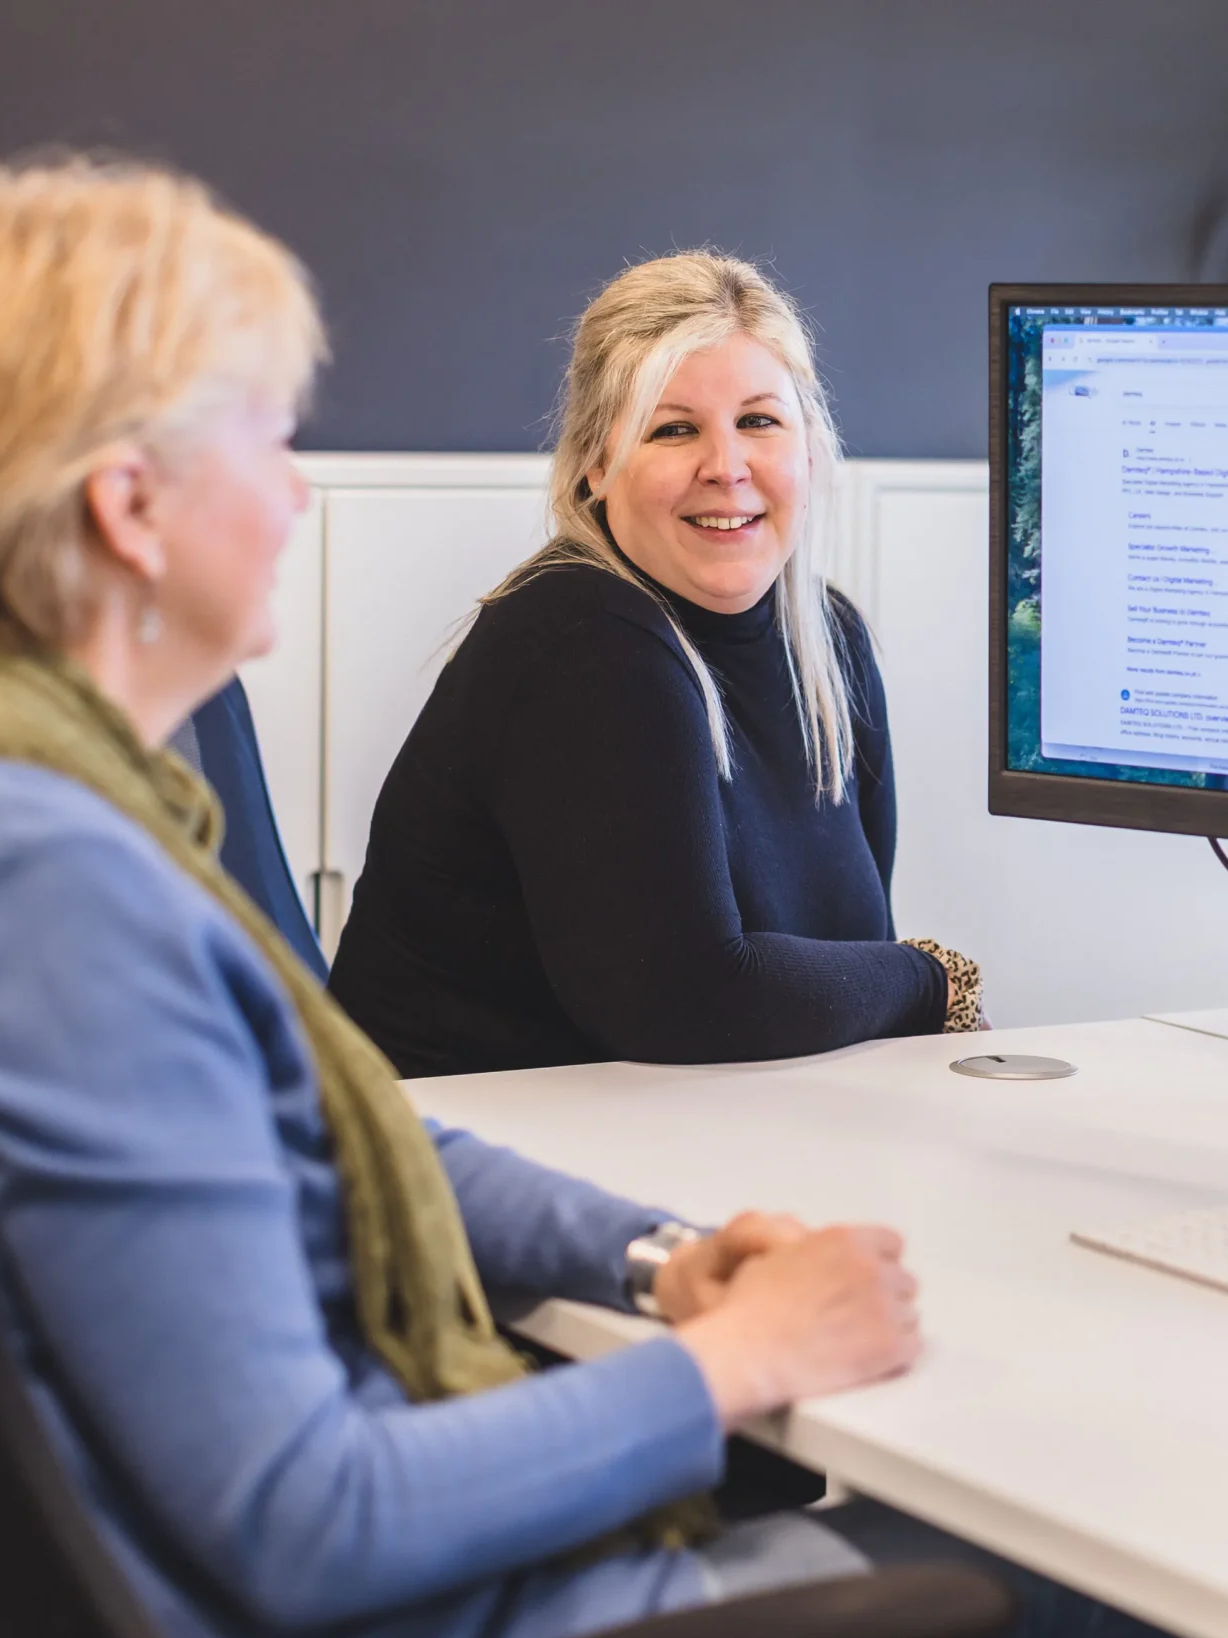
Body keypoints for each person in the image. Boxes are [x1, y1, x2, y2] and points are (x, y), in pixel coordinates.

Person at [0, 156, 1228, 1638]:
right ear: (128, 505)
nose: (304, 487)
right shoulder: (43, 900)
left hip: (369, 1601)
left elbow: (342, 1128)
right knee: (1227, 1596)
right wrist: (738, 1363)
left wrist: (663, 1262)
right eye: (270, 433)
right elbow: (312, 1520)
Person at [326, 252, 978, 1078]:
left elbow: (846, 953)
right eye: (674, 429)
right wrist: (933, 979)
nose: (727, 466)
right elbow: (692, 1000)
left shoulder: (828, 641)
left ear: (811, 447)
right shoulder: (584, 637)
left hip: (695, 1121)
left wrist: (902, 984)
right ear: (598, 464)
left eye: (760, 421)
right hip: (464, 1151)